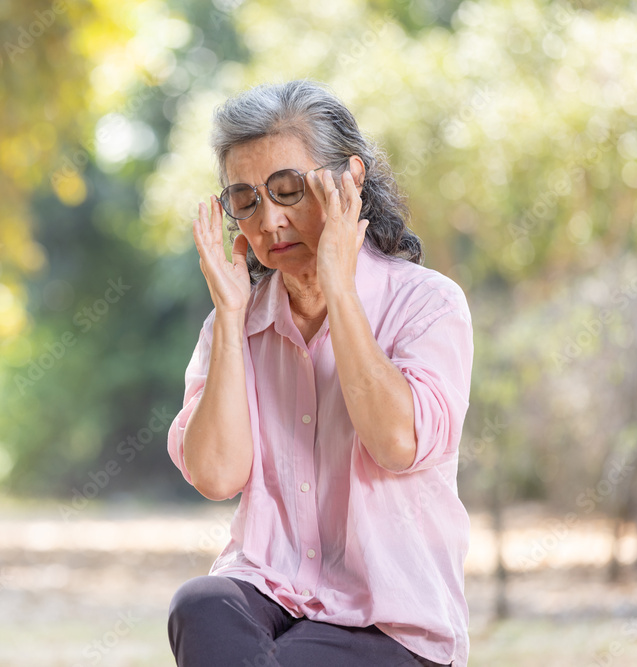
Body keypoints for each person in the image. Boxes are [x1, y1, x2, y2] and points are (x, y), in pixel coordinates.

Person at [166, 79, 474, 667]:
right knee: (201, 603)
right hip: (270, 588)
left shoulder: (427, 304)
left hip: (391, 619)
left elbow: (397, 443)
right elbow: (216, 475)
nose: (269, 221)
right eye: (246, 200)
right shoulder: (233, 322)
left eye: (287, 189)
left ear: (349, 181)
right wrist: (231, 319)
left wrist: (340, 285)